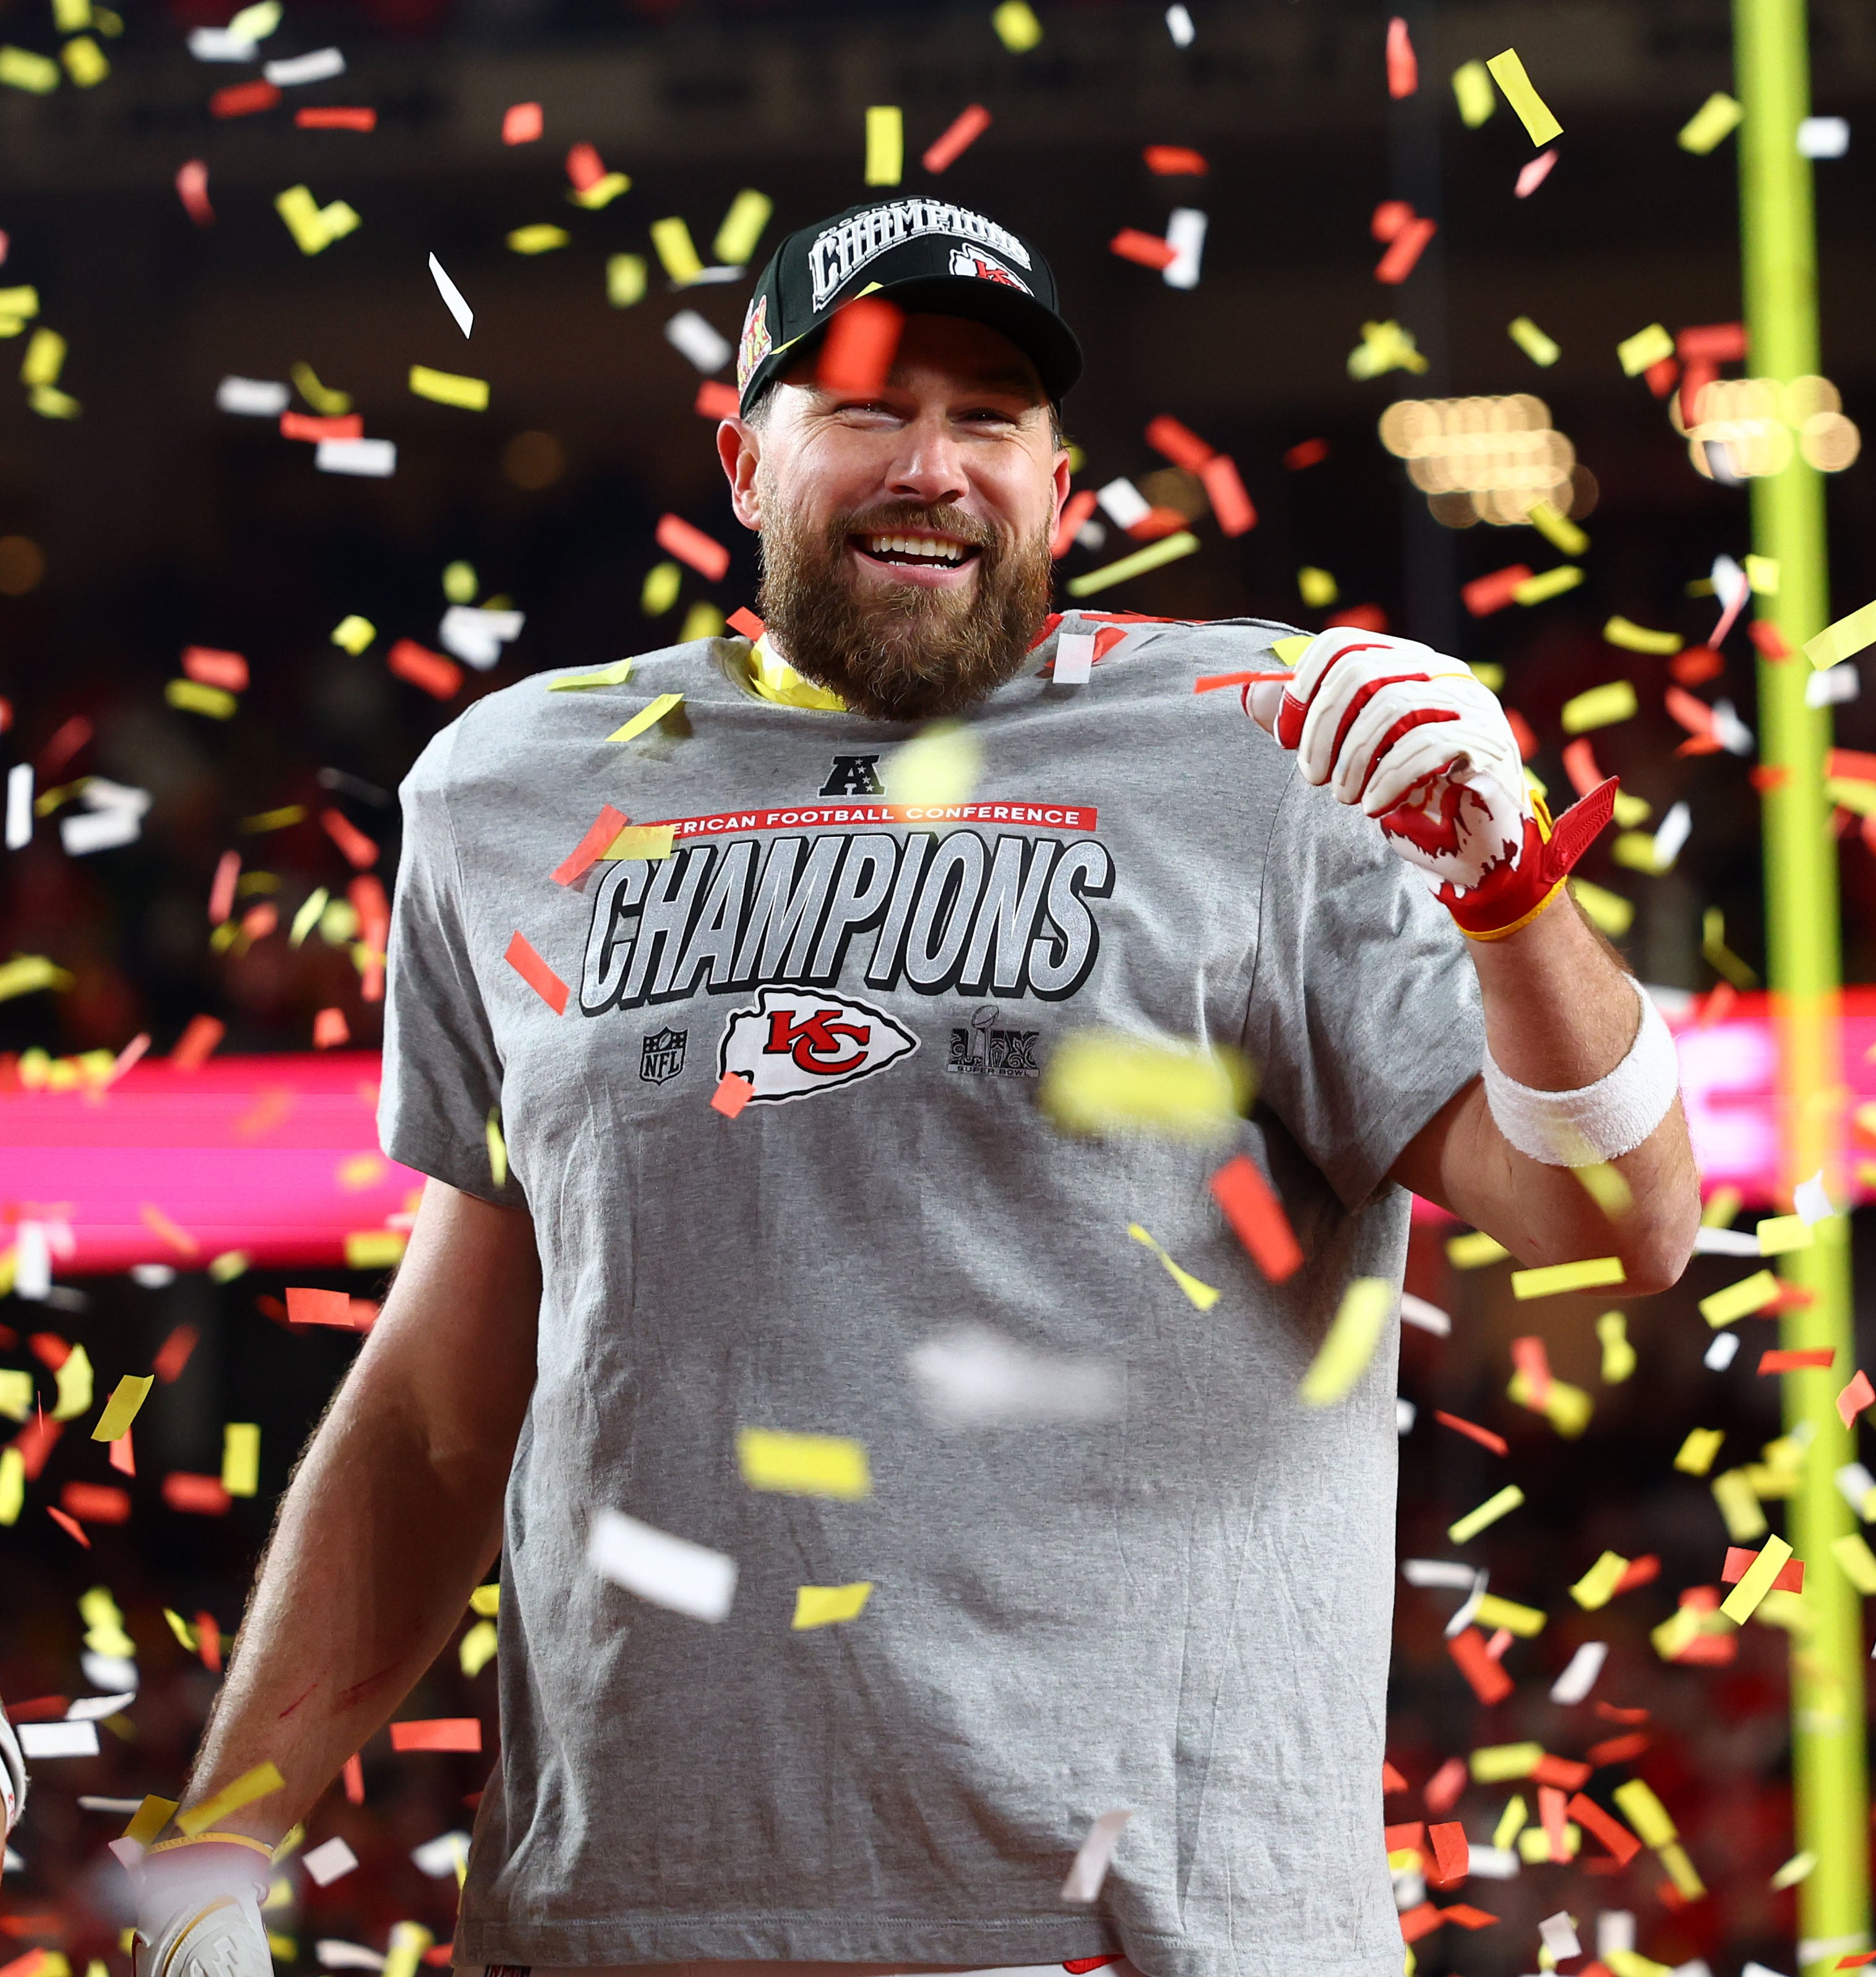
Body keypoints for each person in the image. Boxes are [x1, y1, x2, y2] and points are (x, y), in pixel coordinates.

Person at [132, 199, 1697, 1977]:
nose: (931, 467)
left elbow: (1620, 1222)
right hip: (625, 1929)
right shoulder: (512, 786)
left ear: (1057, 484)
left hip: (1148, 1935)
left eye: (988, 420)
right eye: (868, 409)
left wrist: (1510, 897)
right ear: (745, 462)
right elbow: (438, 1405)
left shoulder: (1270, 753)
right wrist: (218, 1838)